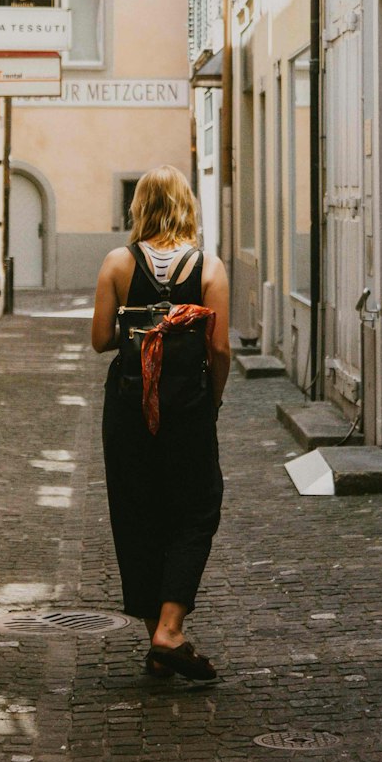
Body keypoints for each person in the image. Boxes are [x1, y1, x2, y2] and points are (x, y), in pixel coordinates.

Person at [92, 165, 230, 682]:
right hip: (188, 407)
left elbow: (101, 339)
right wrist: (211, 401)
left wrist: (142, 326)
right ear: (186, 206)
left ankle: (158, 634)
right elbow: (218, 350)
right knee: (197, 508)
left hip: (129, 409)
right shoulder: (209, 269)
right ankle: (169, 630)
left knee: (136, 513)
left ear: (139, 208)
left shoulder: (117, 263)